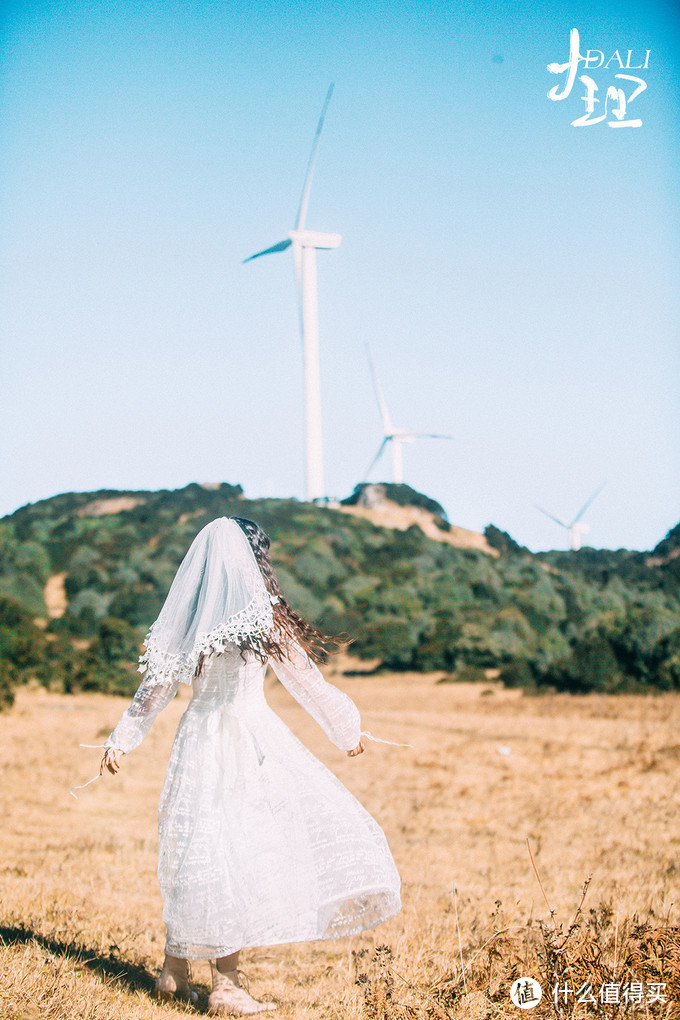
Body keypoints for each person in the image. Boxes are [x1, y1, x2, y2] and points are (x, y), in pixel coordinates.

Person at [99, 516, 401, 1015]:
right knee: (232, 853)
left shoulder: (191, 618)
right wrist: (347, 729)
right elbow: (305, 680)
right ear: (256, 560)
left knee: (198, 847)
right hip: (245, 737)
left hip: (197, 735)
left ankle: (174, 973)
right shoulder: (263, 617)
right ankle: (227, 986)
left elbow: (154, 689)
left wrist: (122, 738)